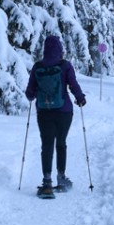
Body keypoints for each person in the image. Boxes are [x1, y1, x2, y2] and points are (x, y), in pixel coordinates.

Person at [25, 34, 86, 196]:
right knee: (61, 143)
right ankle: (61, 178)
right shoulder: (65, 65)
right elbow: (73, 84)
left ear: (45, 49)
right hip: (64, 112)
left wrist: (33, 96)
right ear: (60, 49)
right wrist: (80, 98)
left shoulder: (38, 67)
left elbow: (29, 92)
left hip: (44, 112)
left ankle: (46, 183)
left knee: (46, 145)